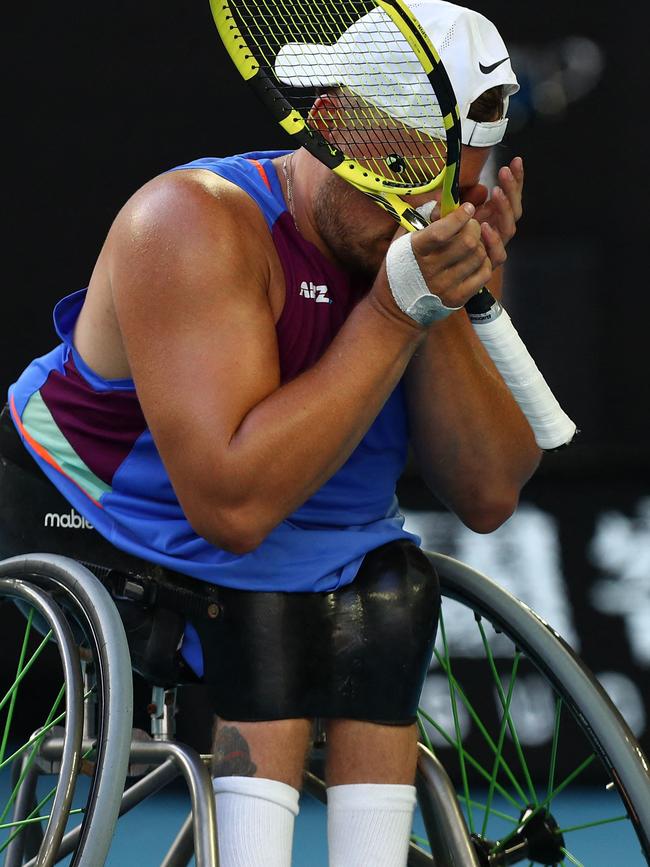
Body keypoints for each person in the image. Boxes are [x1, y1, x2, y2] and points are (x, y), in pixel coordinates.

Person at [2, 0, 541, 864]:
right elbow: (235, 511)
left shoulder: (432, 231)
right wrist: (397, 313)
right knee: (261, 594)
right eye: (400, 170)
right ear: (330, 122)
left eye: (453, 189)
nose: (424, 208)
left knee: (395, 590)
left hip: (315, 521)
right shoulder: (190, 222)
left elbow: (487, 490)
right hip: (115, 511)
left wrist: (448, 301)